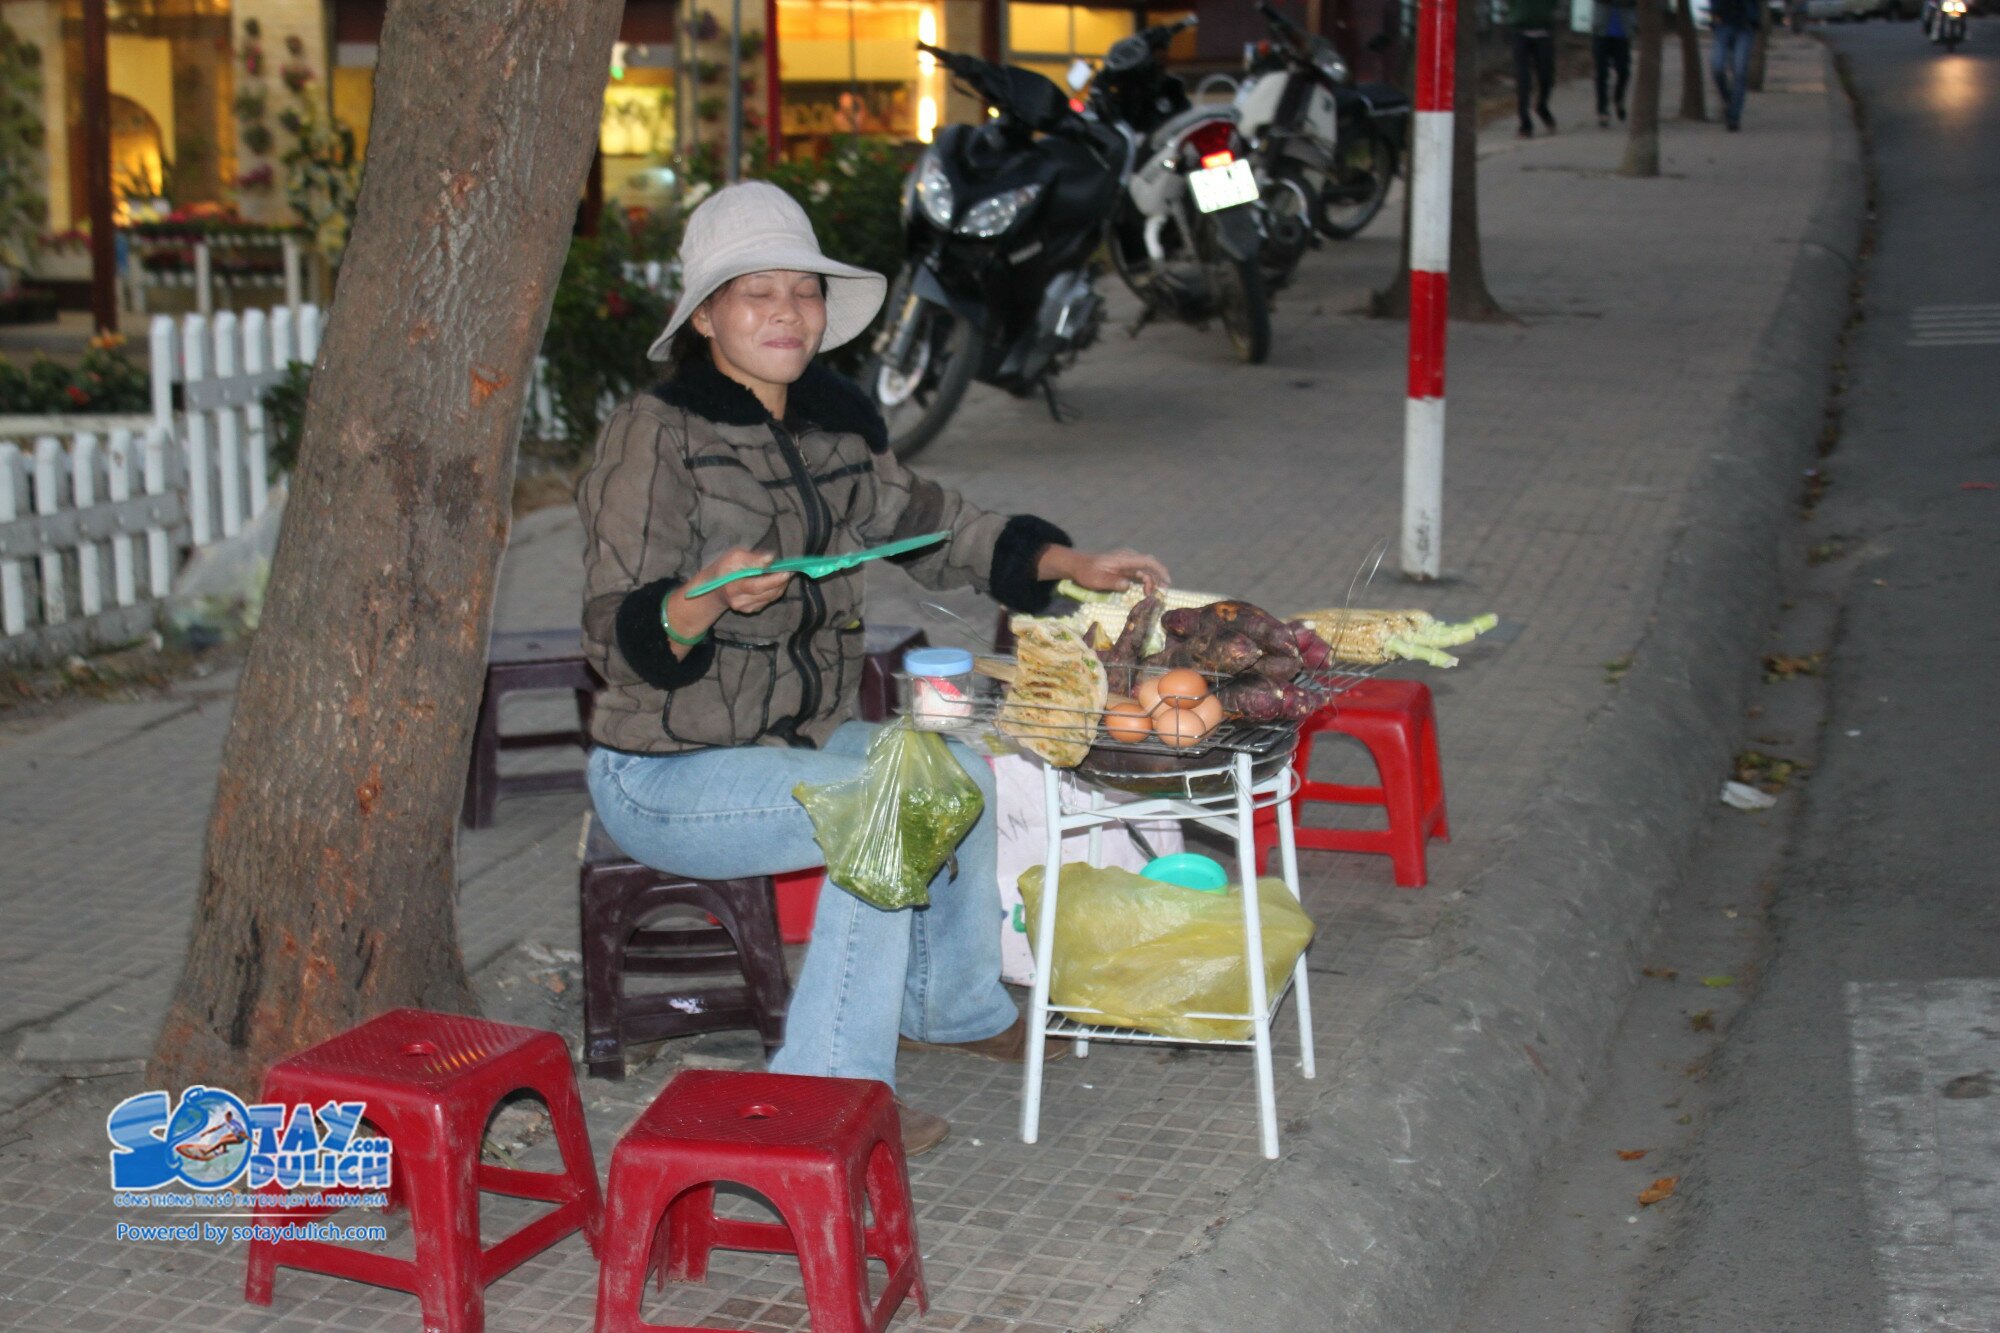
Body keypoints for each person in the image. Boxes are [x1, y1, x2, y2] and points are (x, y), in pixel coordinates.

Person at [576, 181, 1170, 1156]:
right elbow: (613, 632)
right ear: (708, 315)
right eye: (751, 291)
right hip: (665, 769)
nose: (781, 311)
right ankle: (823, 1092)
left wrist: (1064, 562)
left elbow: (930, 523)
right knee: (886, 804)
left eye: (800, 291)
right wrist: (706, 596)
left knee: (960, 770)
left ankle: (954, 1008)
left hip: (798, 742)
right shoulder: (655, 433)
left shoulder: (837, 420)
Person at [1509, 0, 1560, 138]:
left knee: (1546, 76)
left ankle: (1541, 107)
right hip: (1520, 32)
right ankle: (1525, 123)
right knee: (1523, 79)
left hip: (1543, 32)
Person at [1710, 0, 1759, 132]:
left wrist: (1753, 18)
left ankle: (1733, 116)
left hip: (1745, 26)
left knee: (1740, 71)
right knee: (1717, 67)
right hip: (1723, 24)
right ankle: (1729, 101)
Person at [1592, 0, 1636, 128]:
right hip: (1601, 31)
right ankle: (1602, 110)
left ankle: (1618, 98)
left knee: (1623, 71)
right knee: (1601, 73)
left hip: (1623, 32)